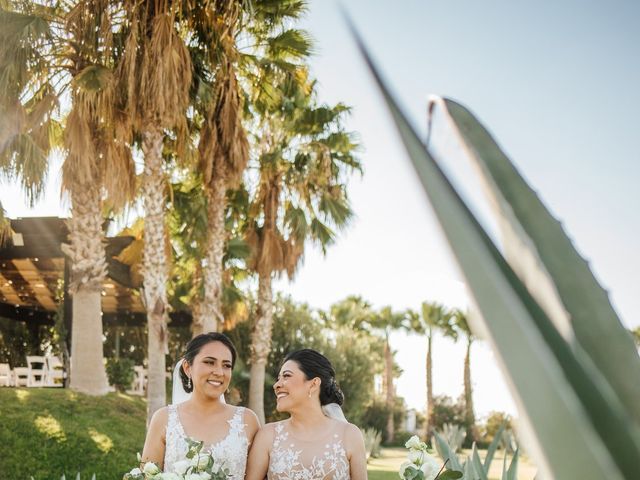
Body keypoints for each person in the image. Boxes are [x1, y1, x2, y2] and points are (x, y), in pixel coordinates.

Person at [141, 332, 260, 478]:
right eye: (209, 362)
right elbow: (146, 477)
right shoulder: (163, 419)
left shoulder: (247, 421)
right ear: (187, 367)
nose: (219, 372)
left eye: (226, 365)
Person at [246, 349, 367, 480]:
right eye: (278, 378)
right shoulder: (268, 436)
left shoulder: (350, 435)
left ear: (314, 384)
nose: (276, 385)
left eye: (286, 376)